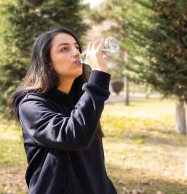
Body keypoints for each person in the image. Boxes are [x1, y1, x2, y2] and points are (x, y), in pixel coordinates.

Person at [11, 27, 117, 194]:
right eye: (64, 49)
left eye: (76, 47)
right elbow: (73, 136)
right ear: (47, 62)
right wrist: (98, 77)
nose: (76, 53)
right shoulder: (31, 104)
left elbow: (93, 163)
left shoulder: (82, 100)